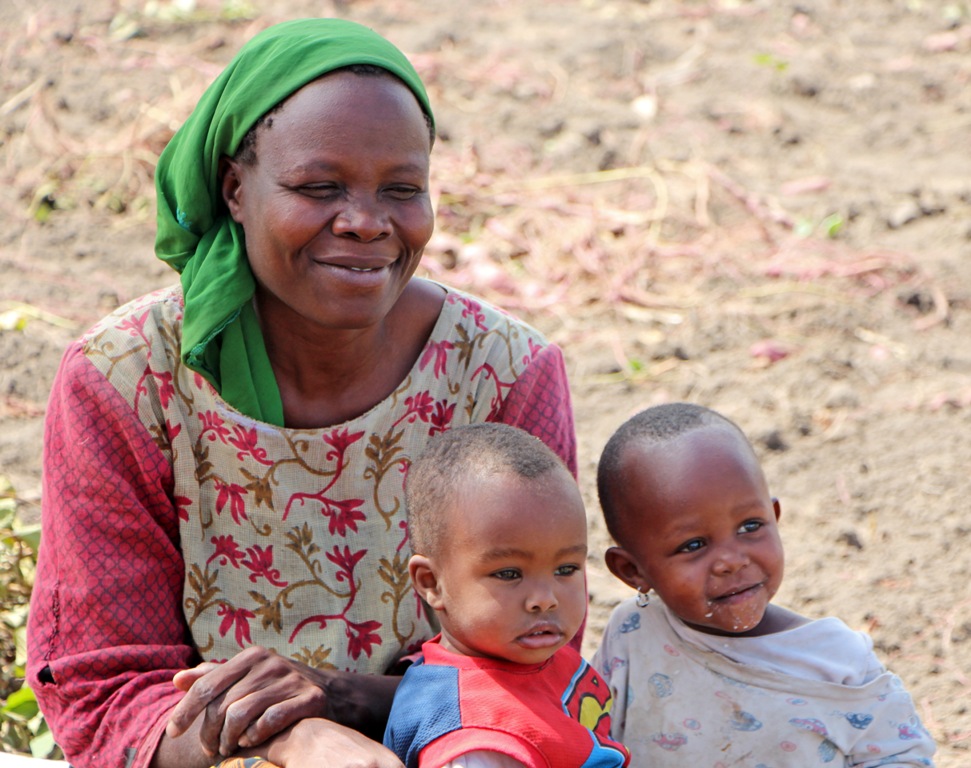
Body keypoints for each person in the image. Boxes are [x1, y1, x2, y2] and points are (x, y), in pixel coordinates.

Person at [26, 18, 577, 768]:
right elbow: (106, 691)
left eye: (402, 189)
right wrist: (293, 731)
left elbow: (541, 657)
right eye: (318, 187)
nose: (364, 222)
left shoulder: (501, 372)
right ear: (235, 190)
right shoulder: (127, 381)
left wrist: (338, 698)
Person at [592, 402, 937, 767]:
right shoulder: (632, 635)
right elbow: (589, 740)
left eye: (750, 527)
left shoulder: (836, 661)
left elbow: (902, 756)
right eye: (693, 545)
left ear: (774, 517)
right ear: (632, 571)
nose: (733, 560)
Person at [382, 423, 629, 768]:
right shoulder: (476, 741)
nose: (545, 598)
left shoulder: (531, 656)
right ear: (432, 583)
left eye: (566, 569)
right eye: (509, 574)